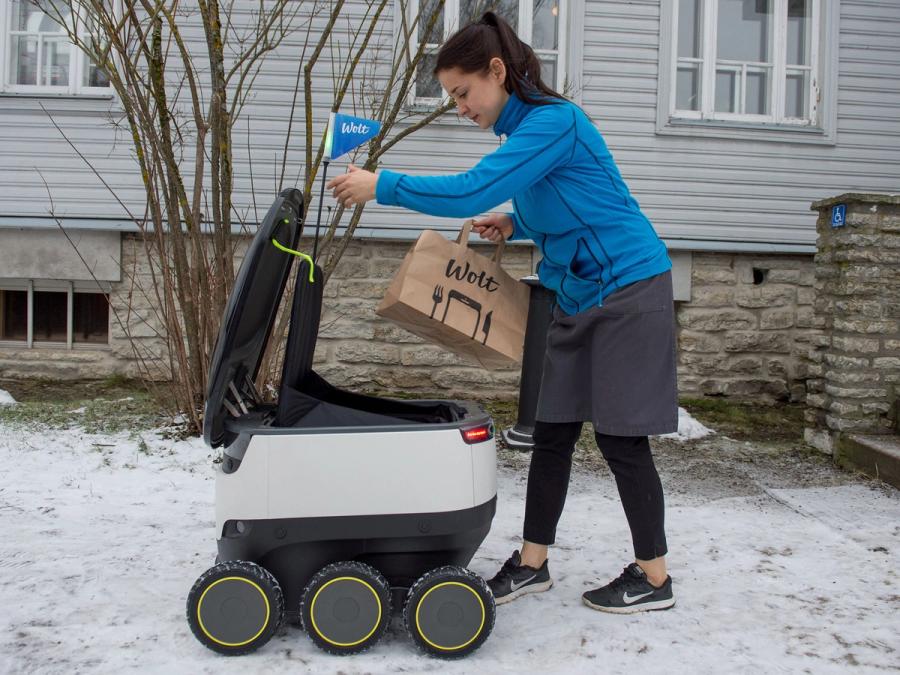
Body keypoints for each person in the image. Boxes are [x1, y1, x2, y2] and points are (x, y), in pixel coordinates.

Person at [327, 11, 677, 614]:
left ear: (497, 72)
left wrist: (381, 184)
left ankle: (654, 577)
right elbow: (566, 196)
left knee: (621, 440)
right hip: (577, 296)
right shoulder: (525, 138)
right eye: (452, 97)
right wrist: (516, 221)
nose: (460, 107)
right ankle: (533, 564)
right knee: (552, 434)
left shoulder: (553, 123)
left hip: (628, 289)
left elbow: (468, 189)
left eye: (464, 92)